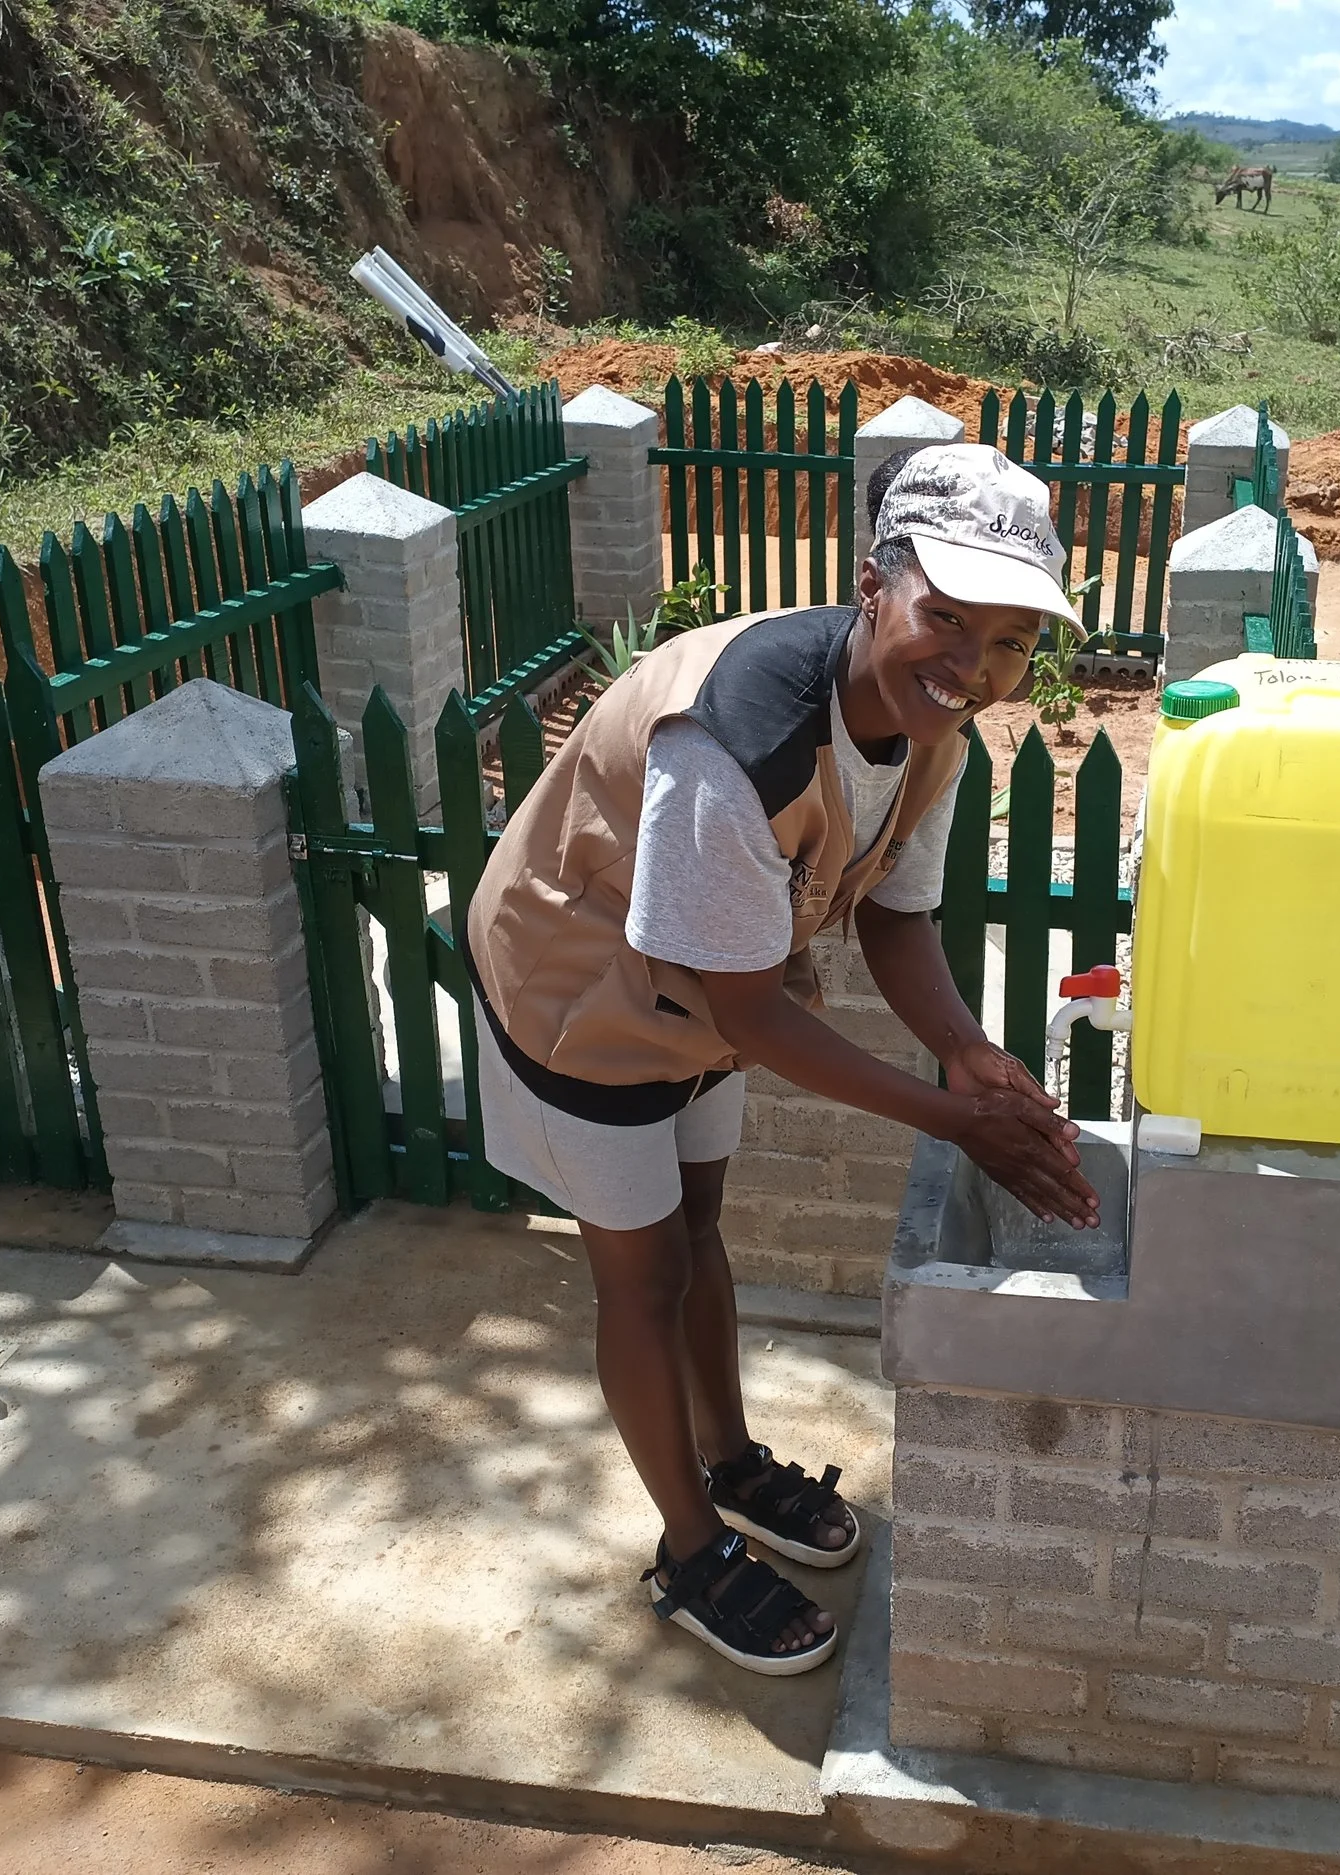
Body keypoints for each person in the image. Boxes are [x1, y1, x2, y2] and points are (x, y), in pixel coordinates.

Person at [462, 444, 1100, 1676]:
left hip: (696, 995)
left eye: (1012, 639)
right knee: (640, 1277)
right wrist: (953, 1122)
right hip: (580, 995)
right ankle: (691, 1547)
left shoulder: (932, 726)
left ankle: (730, 1459)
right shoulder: (735, 740)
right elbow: (750, 1014)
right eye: (947, 618)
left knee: (701, 1226)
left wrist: (964, 1050)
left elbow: (894, 914)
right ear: (875, 584)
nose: (974, 665)